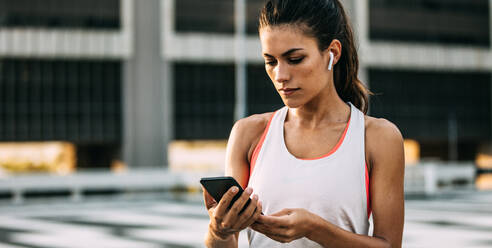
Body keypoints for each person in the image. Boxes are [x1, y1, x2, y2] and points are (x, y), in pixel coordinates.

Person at [203, 0, 404, 247]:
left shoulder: (377, 137)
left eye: (295, 59)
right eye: (271, 61)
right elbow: (224, 241)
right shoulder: (248, 133)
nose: (280, 76)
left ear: (333, 52)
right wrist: (219, 231)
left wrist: (315, 228)